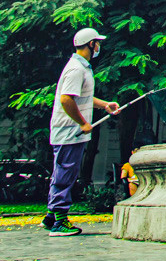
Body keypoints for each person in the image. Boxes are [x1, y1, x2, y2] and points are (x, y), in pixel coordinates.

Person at [45, 27, 119, 237]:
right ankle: (59, 222)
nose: (99, 47)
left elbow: (80, 97)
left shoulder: (81, 67)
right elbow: (66, 99)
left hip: (70, 131)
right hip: (69, 132)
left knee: (63, 171)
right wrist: (83, 123)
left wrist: (104, 105)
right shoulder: (76, 69)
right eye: (97, 43)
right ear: (90, 44)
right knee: (65, 173)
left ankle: (50, 217)